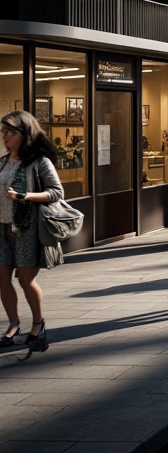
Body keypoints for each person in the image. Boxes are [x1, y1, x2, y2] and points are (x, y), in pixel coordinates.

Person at [0, 110, 65, 352]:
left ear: (25, 134)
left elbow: (57, 192)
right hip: (2, 228)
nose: (4, 135)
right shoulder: (3, 161)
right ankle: (13, 325)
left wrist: (24, 195)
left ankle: (38, 324)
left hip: (26, 229)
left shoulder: (39, 162)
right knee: (2, 279)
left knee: (26, 280)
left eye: (10, 131)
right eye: (3, 131)